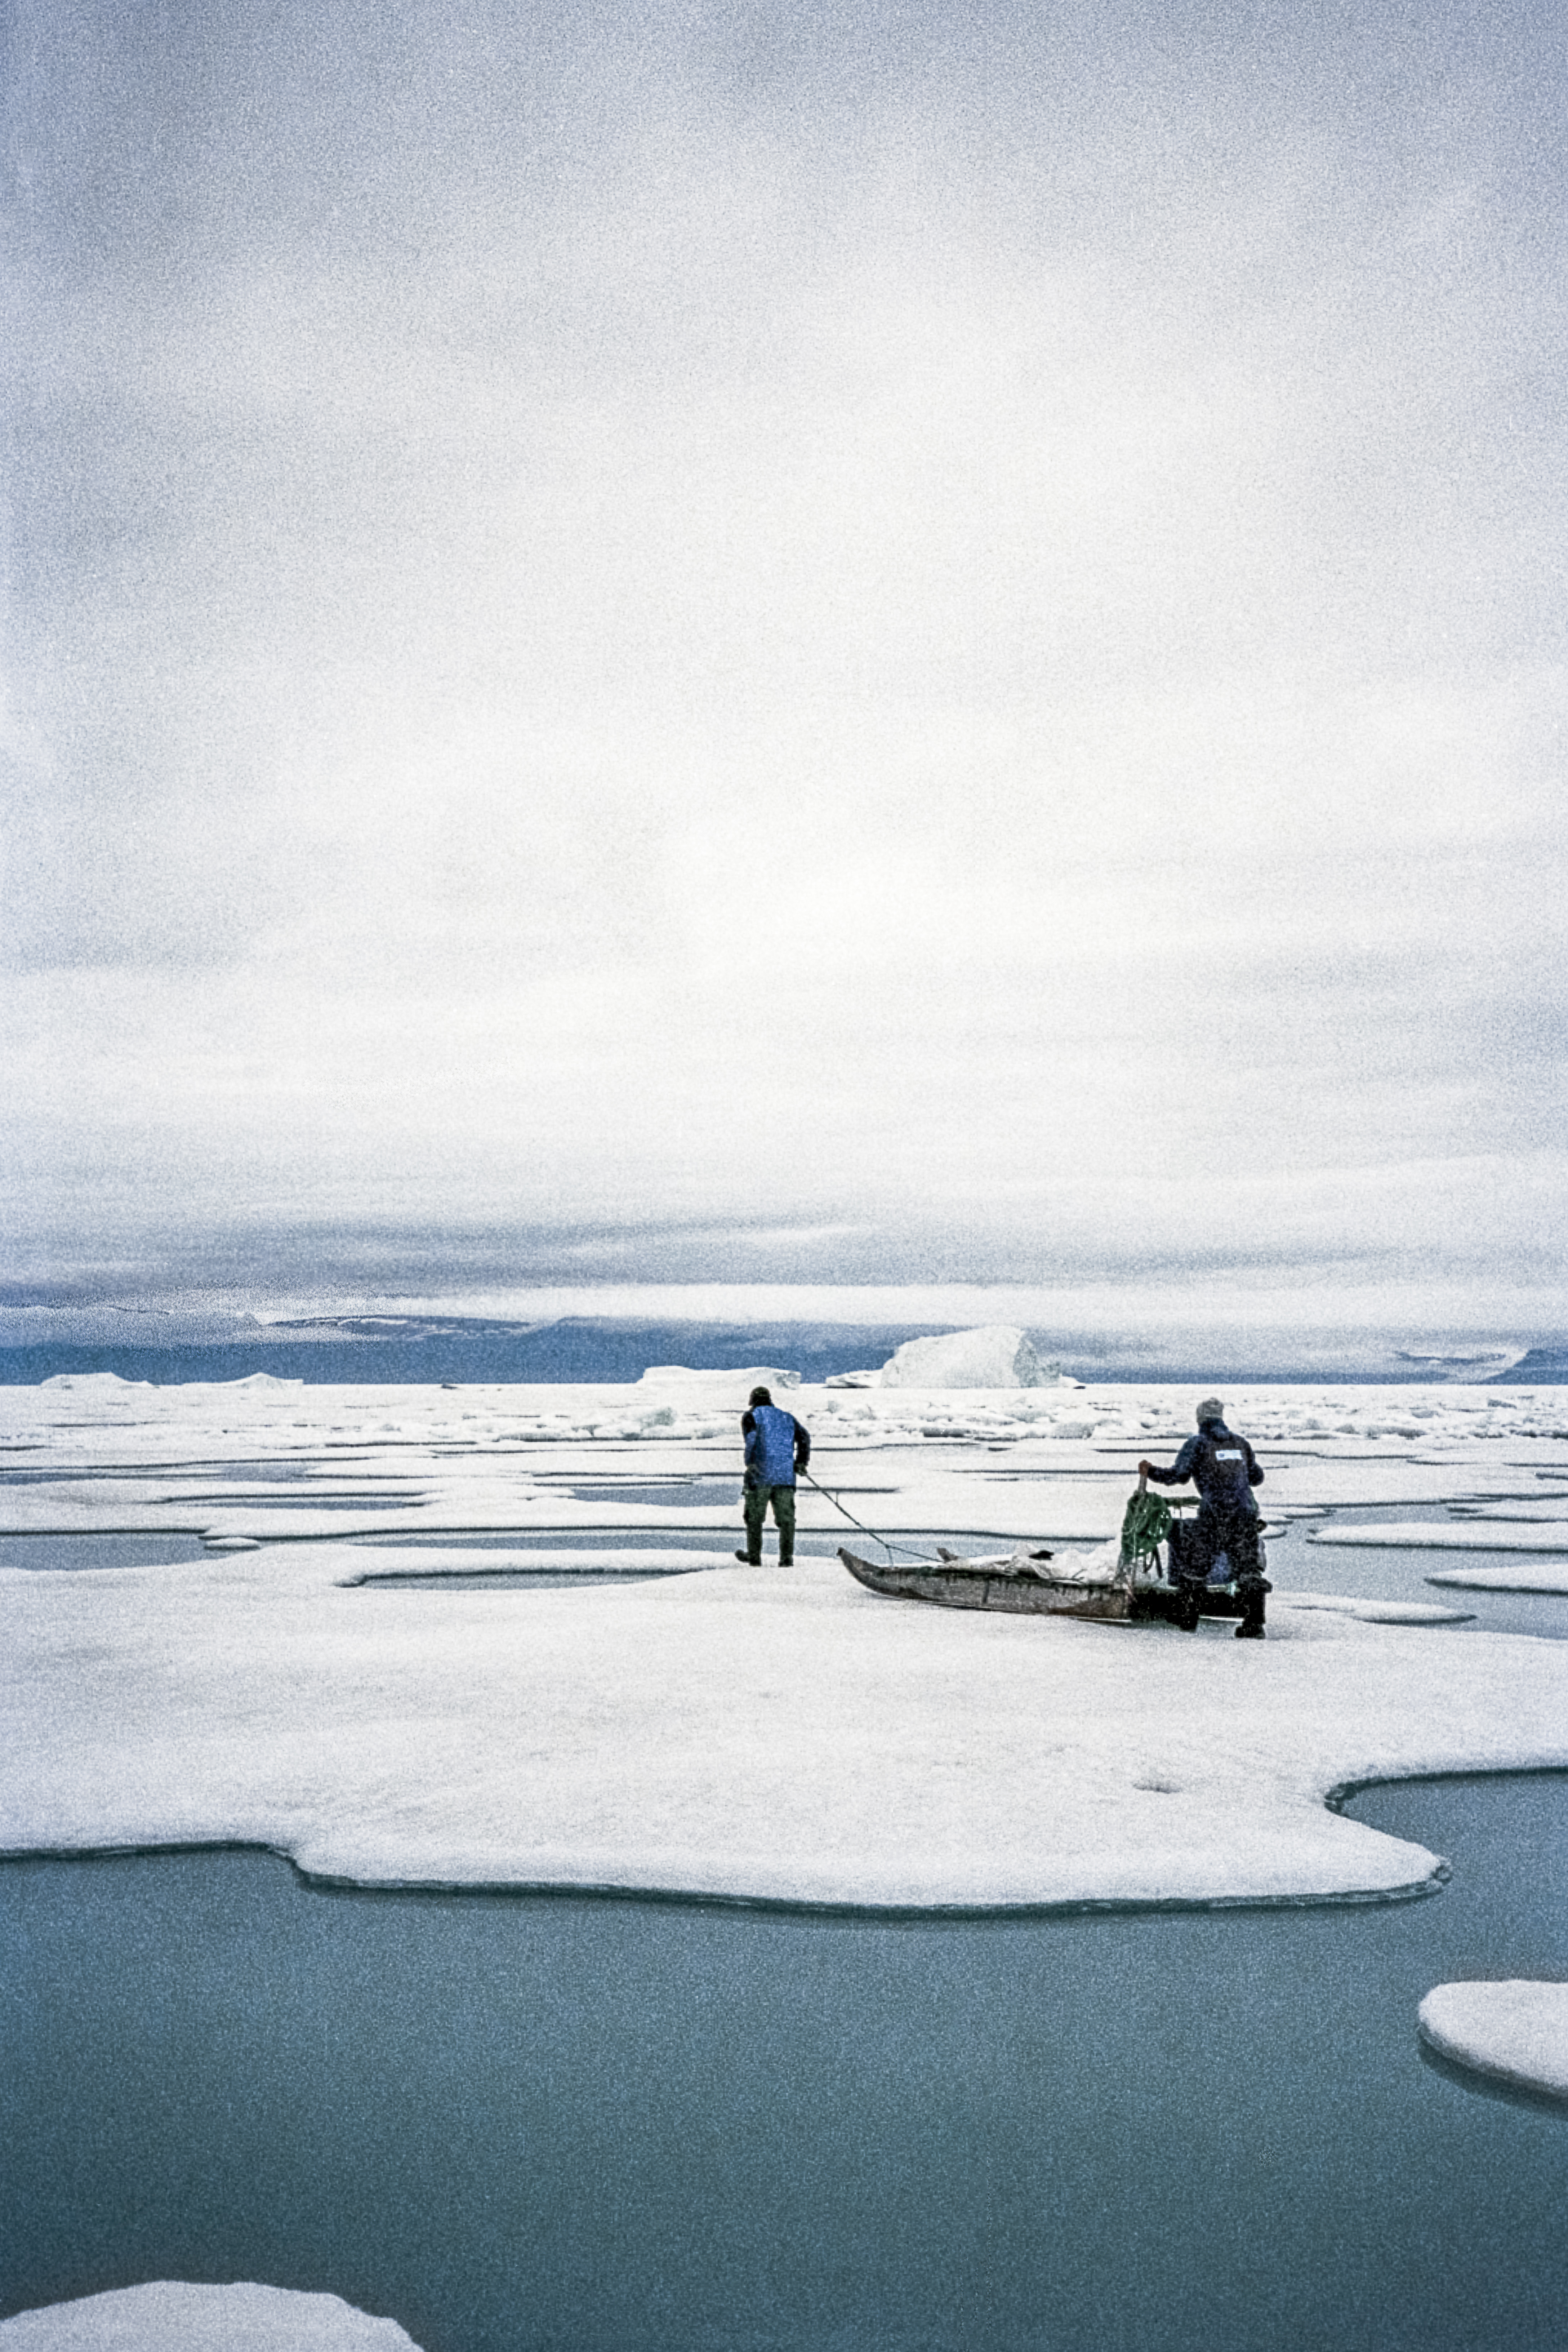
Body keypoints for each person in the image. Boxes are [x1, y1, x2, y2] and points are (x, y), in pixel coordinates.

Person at [1138, 1397, 1270, 1638]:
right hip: (1244, 1514)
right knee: (1248, 1568)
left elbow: (1178, 1476)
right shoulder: (1241, 1443)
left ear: (1200, 1418)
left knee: (1196, 1565)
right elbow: (1257, 1477)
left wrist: (1151, 1471)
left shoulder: (1198, 1444)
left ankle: (1187, 1617)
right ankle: (1254, 1624)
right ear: (1221, 1417)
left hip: (1214, 1515)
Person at [736, 1385, 811, 1567]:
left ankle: (754, 1557)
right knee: (786, 1520)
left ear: (752, 1401)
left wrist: (750, 1463)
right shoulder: (788, 1417)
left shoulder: (751, 1416)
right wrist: (801, 1461)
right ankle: (786, 1558)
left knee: (754, 1518)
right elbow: (804, 1438)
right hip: (785, 1476)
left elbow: (752, 1440)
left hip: (760, 1475)